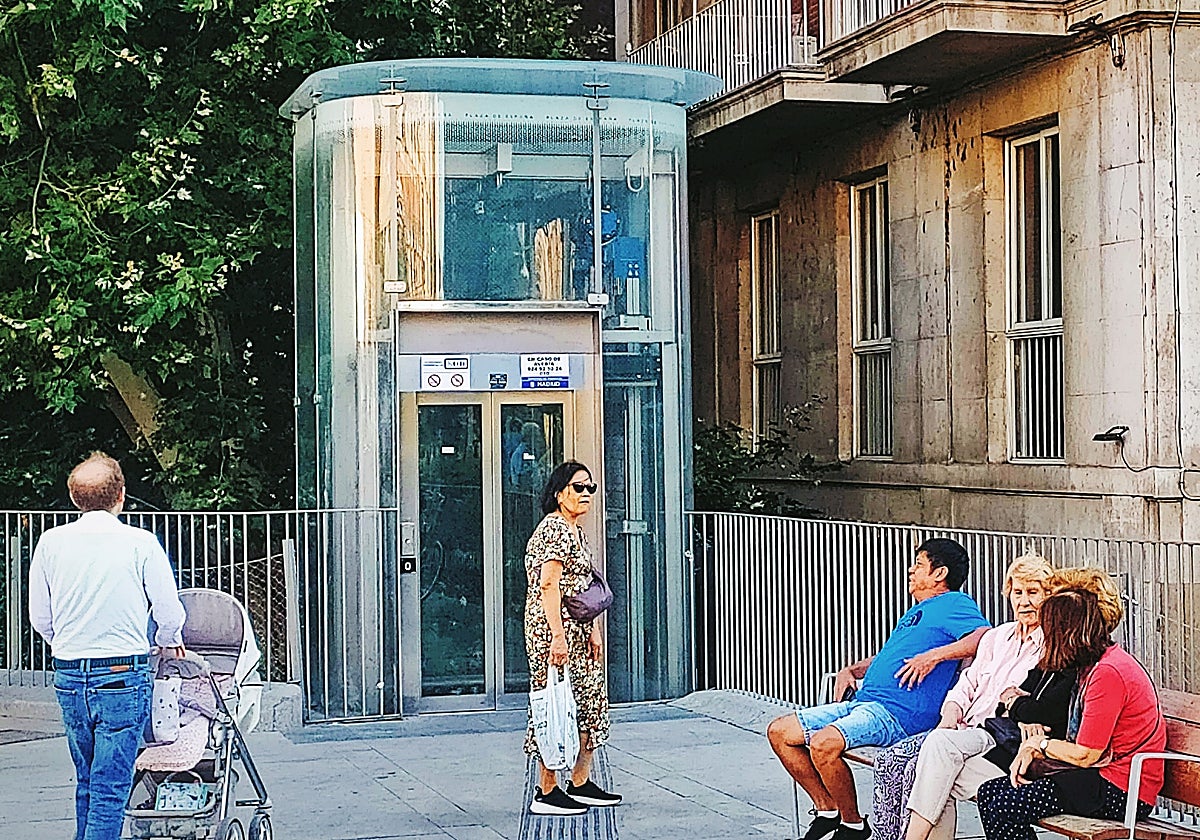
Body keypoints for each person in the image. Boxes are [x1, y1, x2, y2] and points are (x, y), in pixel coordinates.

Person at [767, 538, 991, 840]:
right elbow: (889, 657)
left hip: (896, 713)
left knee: (824, 744)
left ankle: (852, 825)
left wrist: (933, 657)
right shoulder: (918, 612)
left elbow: (983, 637)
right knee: (780, 732)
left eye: (919, 564)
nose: (911, 570)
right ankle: (827, 810)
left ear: (940, 574)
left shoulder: (955, 603)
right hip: (864, 702)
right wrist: (851, 670)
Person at [28, 452, 187, 840]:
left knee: (87, 780)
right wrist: (167, 641)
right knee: (111, 788)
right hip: (121, 674)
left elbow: (40, 618)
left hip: (70, 673)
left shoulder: (50, 543)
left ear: (74, 498)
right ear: (121, 495)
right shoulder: (140, 543)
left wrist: (69, 643)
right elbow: (169, 612)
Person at [870, 554, 1054, 840]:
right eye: (1018, 592)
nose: (1024, 601)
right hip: (959, 730)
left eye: (1033, 592)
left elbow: (1023, 705)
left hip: (996, 736)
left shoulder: (1050, 646)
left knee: (923, 767)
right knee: (891, 761)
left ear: (1049, 596)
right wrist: (950, 715)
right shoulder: (997, 637)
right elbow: (966, 683)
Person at [975, 588, 1166, 840]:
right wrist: (1032, 747)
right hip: (1095, 776)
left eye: (1048, 631)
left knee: (1005, 807)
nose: (1045, 640)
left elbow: (1086, 754)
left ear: (1064, 633)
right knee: (989, 793)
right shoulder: (1090, 665)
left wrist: (1039, 744)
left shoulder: (1108, 673)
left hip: (1122, 789)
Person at [523, 461, 620, 816]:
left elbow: (580, 588)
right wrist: (558, 637)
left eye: (590, 487)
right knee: (555, 704)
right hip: (553, 630)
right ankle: (546, 790)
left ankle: (580, 781)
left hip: (576, 628)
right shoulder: (554, 529)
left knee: (590, 701)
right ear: (559, 493)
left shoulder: (574, 530)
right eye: (578, 487)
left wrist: (592, 628)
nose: (586, 494)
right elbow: (548, 585)